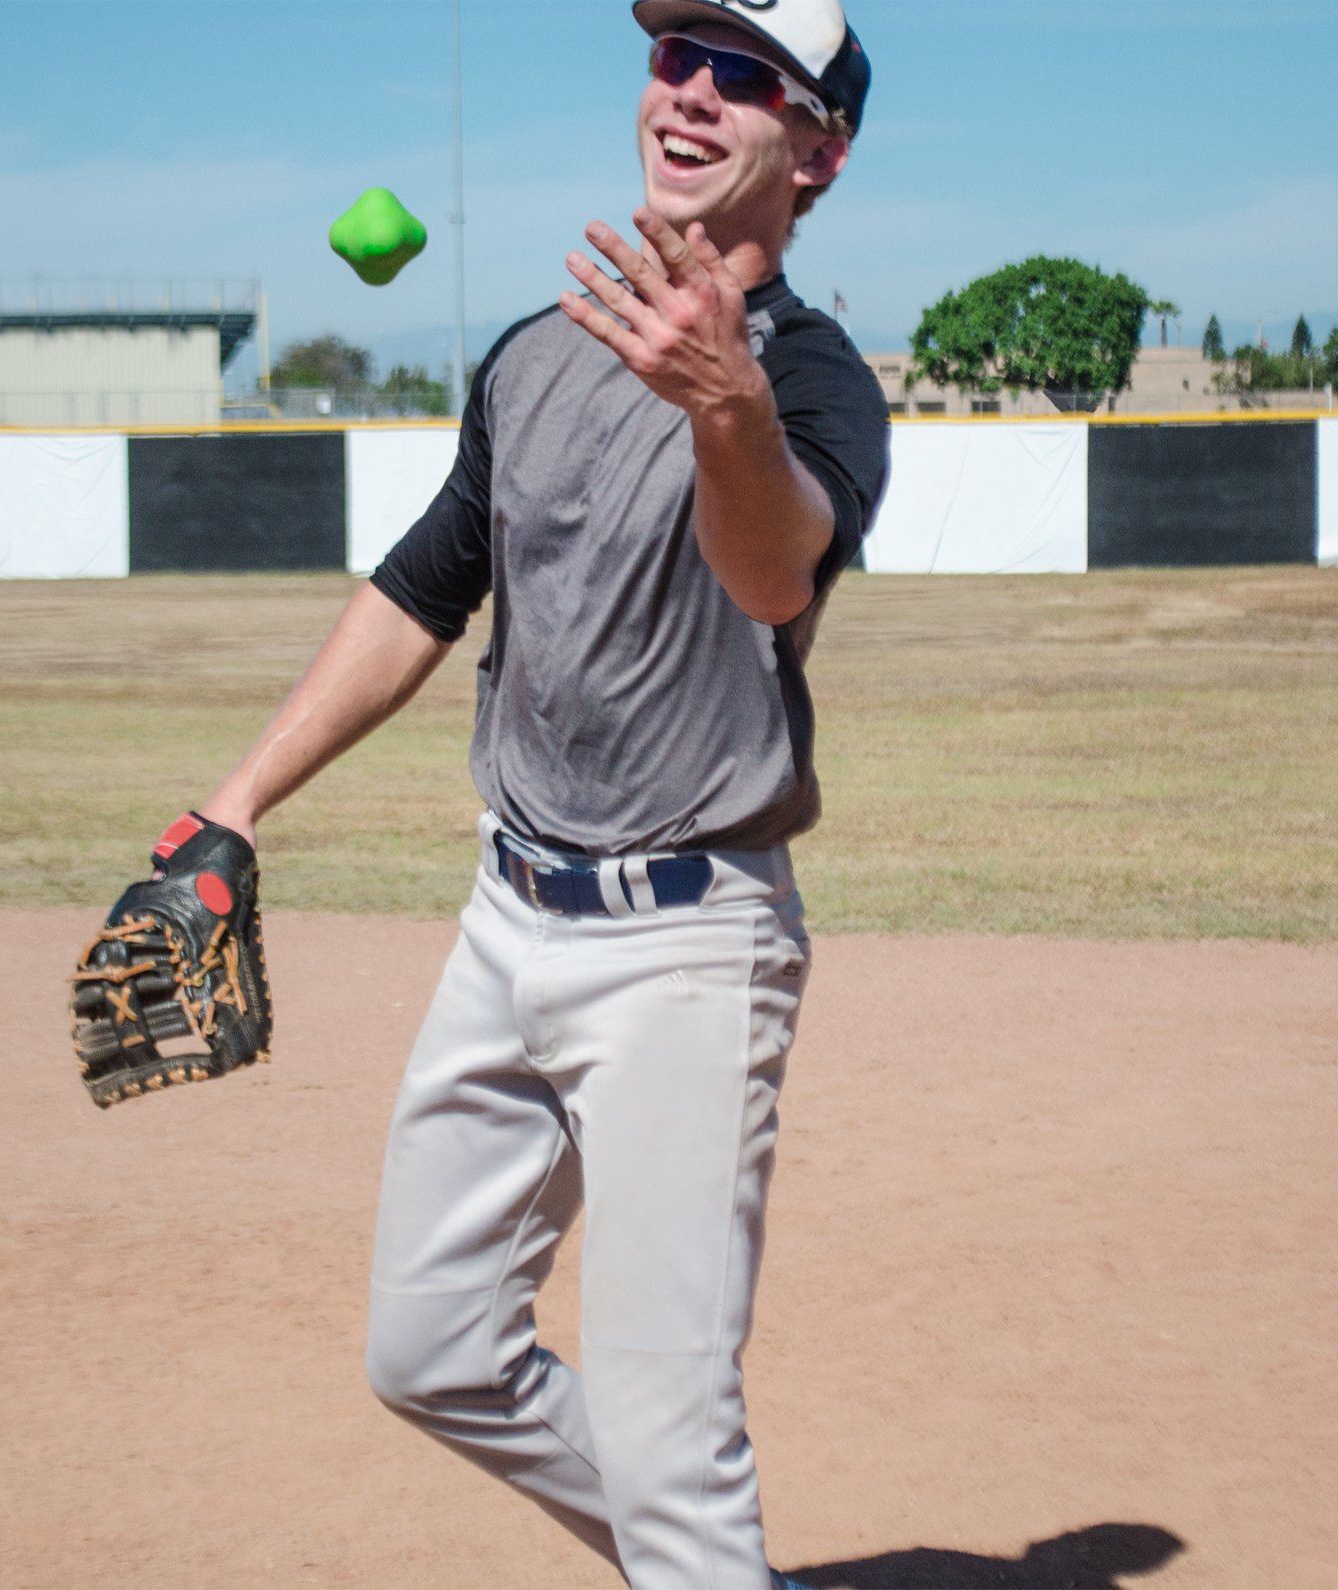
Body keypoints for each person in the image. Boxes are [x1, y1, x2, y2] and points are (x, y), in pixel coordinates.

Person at [198, 3, 888, 1584]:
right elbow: (422, 594)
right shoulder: (532, 354)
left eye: (743, 78)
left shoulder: (816, 388)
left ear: (818, 150)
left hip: (686, 945)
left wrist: (724, 397)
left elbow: (772, 572)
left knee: (669, 1428)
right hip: (507, 917)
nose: (690, 95)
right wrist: (234, 799)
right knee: (429, 1348)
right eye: (673, 60)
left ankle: (686, 1543)